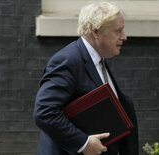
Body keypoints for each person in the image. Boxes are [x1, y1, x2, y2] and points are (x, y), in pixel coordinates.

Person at [33, 2, 139, 155]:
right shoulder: (67, 61)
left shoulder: (98, 58)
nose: (124, 36)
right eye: (118, 31)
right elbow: (44, 112)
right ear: (96, 32)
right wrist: (83, 143)